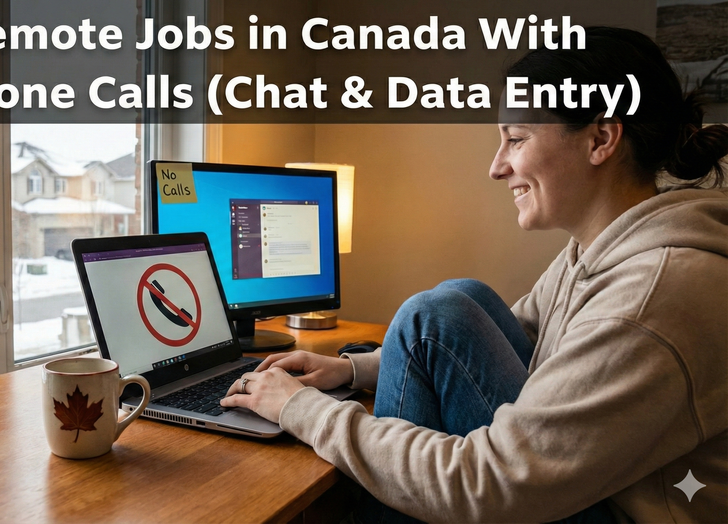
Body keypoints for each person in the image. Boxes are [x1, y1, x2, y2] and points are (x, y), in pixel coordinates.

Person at [221, 27, 728, 523]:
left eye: (516, 139)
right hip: (591, 485)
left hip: (603, 506)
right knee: (458, 300)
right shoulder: (604, 248)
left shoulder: (652, 295)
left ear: (600, 137)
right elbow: (525, 331)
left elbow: (485, 480)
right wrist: (353, 371)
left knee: (431, 314)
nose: (496, 167)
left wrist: (306, 411)